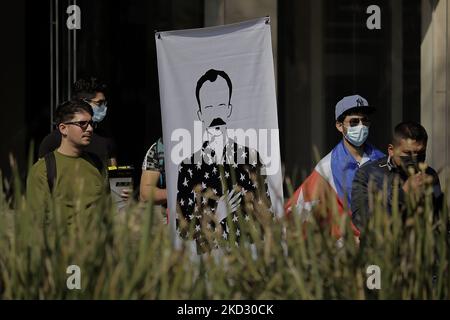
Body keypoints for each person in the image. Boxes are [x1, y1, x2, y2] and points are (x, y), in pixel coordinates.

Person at [176, 69, 273, 249]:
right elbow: (183, 230)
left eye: (221, 106)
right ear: (200, 114)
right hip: (208, 262)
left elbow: (266, 215)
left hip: (246, 262)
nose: (216, 116)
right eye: (209, 108)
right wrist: (217, 214)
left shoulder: (251, 158)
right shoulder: (188, 165)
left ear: (229, 109)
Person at [285, 95, 385, 237]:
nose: (361, 126)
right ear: (339, 126)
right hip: (345, 249)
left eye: (365, 121)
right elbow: (296, 211)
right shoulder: (326, 168)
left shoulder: (382, 160)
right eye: (354, 122)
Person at [351, 121, 443, 233]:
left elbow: (439, 217)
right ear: (391, 150)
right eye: (408, 153)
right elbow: (361, 220)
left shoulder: (429, 174)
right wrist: (402, 195)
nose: (414, 159)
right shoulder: (367, 174)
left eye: (420, 153)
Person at [27, 100, 109, 222]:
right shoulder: (44, 169)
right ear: (63, 128)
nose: (90, 129)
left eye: (91, 123)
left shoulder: (97, 163)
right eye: (82, 123)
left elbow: (107, 210)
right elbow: (38, 222)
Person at [38, 77, 117, 166]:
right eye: (99, 103)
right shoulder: (52, 140)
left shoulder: (105, 138)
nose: (104, 107)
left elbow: (113, 175)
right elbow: (42, 174)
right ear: (83, 103)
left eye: (105, 103)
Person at [140, 137, 167, 205]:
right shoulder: (157, 148)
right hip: (172, 212)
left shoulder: (197, 145)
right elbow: (145, 194)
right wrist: (177, 193)